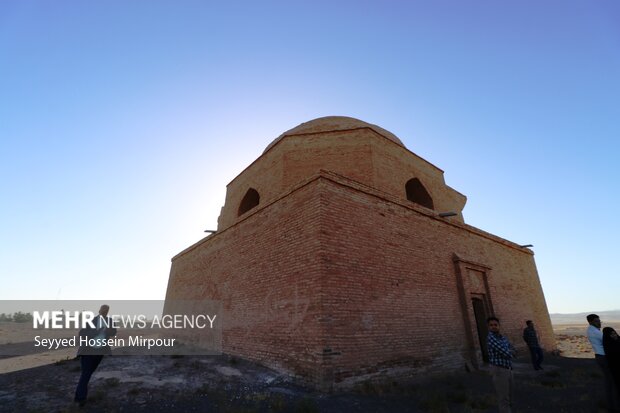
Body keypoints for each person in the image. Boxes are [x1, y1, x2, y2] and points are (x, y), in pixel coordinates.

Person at [74, 304, 117, 406]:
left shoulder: (110, 321)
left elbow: (114, 332)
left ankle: (78, 396)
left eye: (107, 311)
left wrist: (109, 330)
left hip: (100, 352)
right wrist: (96, 331)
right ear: (99, 311)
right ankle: (81, 399)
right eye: (103, 310)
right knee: (86, 373)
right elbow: (82, 333)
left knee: (88, 373)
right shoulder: (91, 321)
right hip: (88, 351)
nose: (105, 312)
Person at [587, 314, 619, 412]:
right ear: (591, 322)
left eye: (599, 320)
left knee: (609, 381)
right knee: (612, 382)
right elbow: (610, 340)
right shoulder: (596, 332)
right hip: (604, 358)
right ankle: (613, 406)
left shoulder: (593, 330)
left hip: (601, 357)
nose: (599, 322)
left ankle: (612, 405)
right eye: (597, 321)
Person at [487, 316, 515, 413]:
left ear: (499, 326)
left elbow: (513, 349)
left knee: (510, 396)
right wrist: (510, 351)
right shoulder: (490, 338)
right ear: (488, 327)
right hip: (499, 370)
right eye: (491, 325)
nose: (493, 327)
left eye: (495, 325)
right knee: (503, 399)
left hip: (508, 369)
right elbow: (506, 353)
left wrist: (510, 351)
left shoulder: (503, 337)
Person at [603, 327, 620, 402]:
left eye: (614, 333)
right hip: (616, 368)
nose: (614, 335)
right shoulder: (609, 345)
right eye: (611, 334)